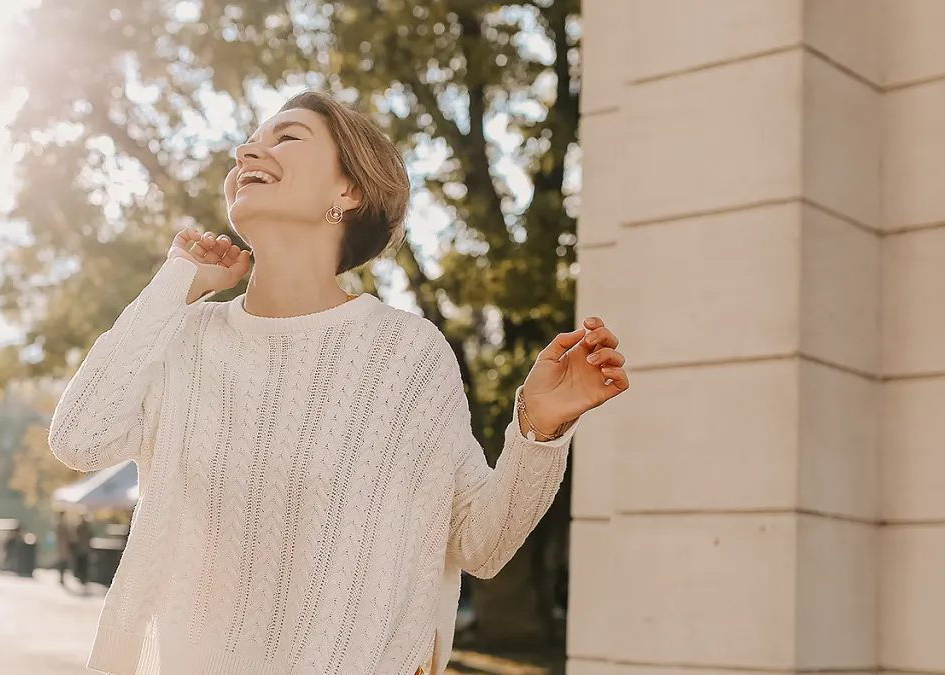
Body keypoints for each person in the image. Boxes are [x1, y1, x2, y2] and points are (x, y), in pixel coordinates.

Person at [49, 90, 629, 675]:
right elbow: (80, 438)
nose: (247, 149)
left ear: (347, 191)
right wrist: (176, 283)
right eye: (252, 140)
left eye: (287, 137)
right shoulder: (182, 337)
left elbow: (480, 543)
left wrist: (540, 431)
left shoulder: (404, 354)